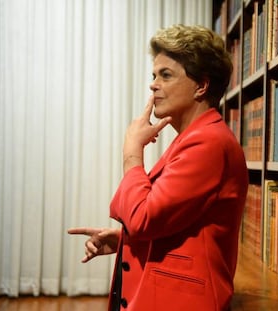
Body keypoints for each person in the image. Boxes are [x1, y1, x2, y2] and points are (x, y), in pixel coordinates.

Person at [68, 24, 248, 311]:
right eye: (154, 75)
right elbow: (175, 222)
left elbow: (143, 218)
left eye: (166, 75)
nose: (153, 84)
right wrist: (124, 239)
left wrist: (132, 152)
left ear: (201, 86)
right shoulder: (195, 138)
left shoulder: (208, 143)